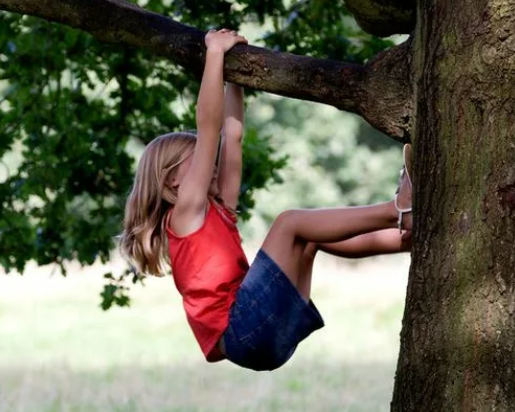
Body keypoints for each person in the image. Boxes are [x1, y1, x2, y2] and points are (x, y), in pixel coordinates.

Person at [119, 28, 413, 371]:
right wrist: (214, 53)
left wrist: (235, 76)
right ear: (170, 178)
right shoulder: (185, 214)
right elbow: (211, 128)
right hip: (244, 330)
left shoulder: (218, 210)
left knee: (310, 239)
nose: (209, 163)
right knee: (289, 222)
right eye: (197, 157)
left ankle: (408, 238)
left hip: (260, 338)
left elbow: (233, 136)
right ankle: (397, 210)